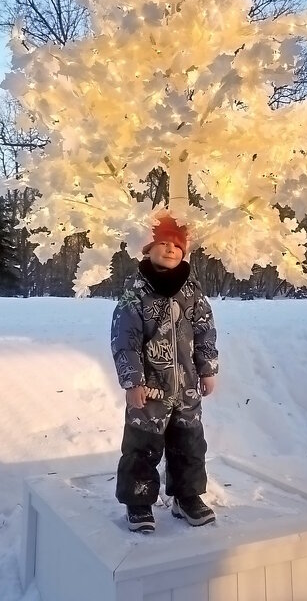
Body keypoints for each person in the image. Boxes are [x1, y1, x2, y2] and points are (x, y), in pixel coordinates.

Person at [111, 214, 219, 533]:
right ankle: (138, 501)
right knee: (142, 447)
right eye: (163, 243)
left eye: (177, 244)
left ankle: (187, 498)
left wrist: (207, 369)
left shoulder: (192, 291)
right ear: (148, 249)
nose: (171, 249)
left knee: (189, 446)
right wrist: (132, 381)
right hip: (150, 390)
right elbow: (125, 339)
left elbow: (205, 331)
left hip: (186, 387)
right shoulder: (136, 293)